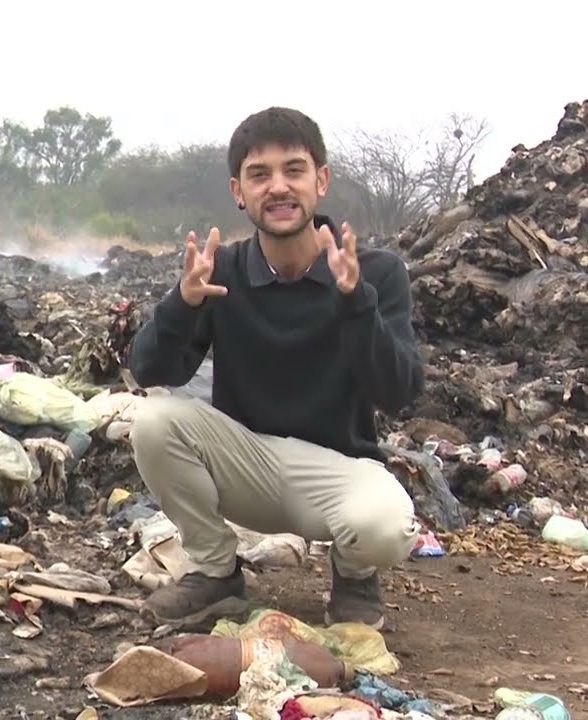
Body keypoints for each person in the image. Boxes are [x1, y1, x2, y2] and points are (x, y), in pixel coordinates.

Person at [125, 106, 425, 630]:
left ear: (321, 181)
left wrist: (356, 302)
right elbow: (150, 370)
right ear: (239, 192)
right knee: (152, 421)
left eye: (294, 170)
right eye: (259, 174)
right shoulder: (222, 272)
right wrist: (183, 303)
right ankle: (216, 573)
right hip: (249, 465)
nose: (278, 187)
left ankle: (355, 577)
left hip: (337, 471)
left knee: (384, 525)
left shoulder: (373, 272)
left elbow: (399, 392)